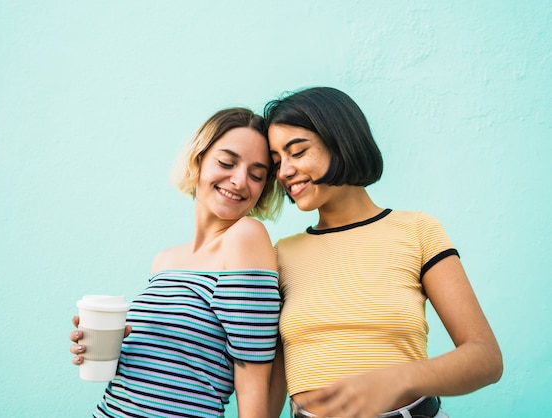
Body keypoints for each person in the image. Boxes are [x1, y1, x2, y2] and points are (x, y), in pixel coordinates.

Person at [264, 87, 503, 418]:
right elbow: (271, 382)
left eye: (298, 152)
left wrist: (398, 379)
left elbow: (485, 357)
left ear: (340, 140)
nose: (284, 172)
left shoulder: (417, 230)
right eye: (277, 162)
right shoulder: (279, 255)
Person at [70, 107, 285, 417]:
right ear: (197, 160)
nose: (239, 181)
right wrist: (106, 349)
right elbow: (170, 373)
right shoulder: (165, 261)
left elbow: (254, 383)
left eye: (256, 175)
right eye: (227, 162)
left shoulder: (246, 237)